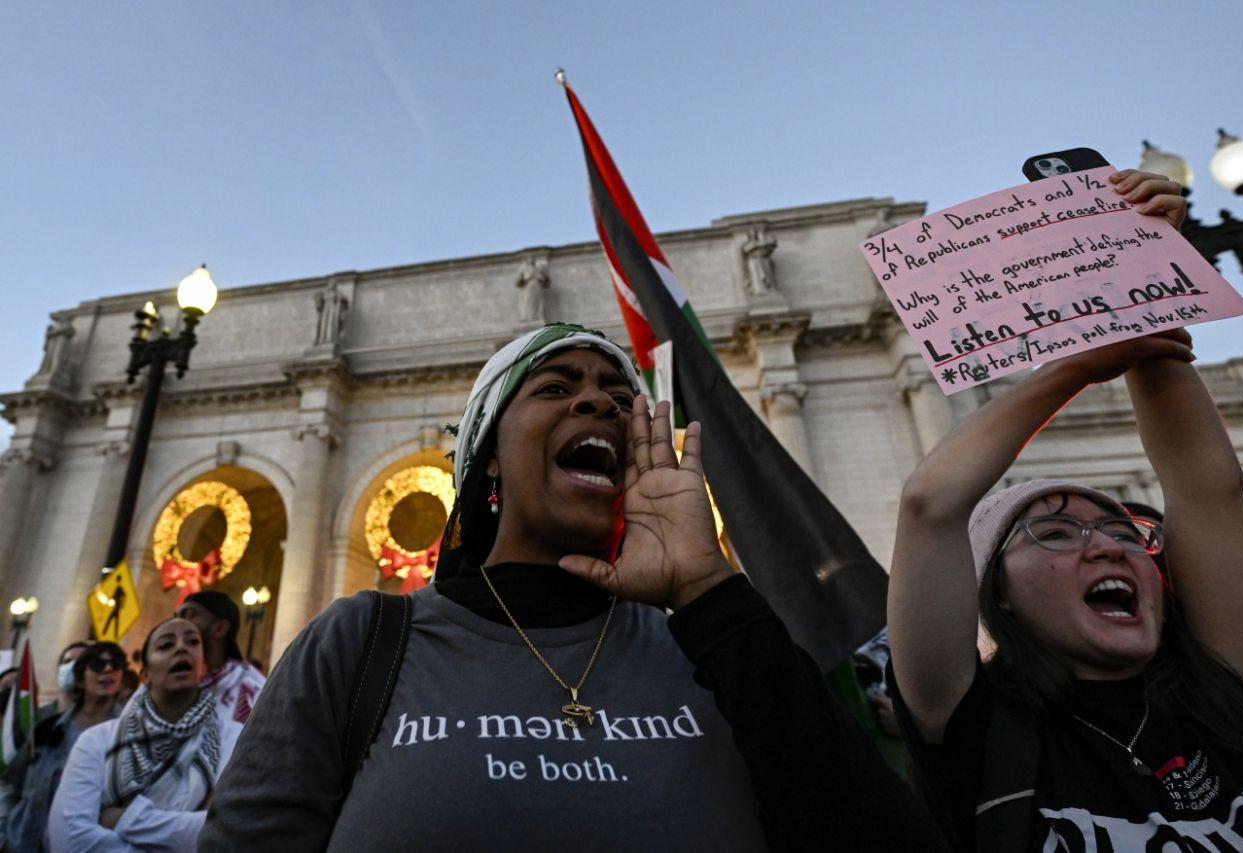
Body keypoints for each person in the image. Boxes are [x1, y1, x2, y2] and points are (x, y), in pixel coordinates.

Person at [200, 322, 943, 851]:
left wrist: (708, 586)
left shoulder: (717, 645)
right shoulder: (358, 641)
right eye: (555, 386)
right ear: (487, 457)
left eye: (622, 397)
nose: (599, 404)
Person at [888, 170, 1243, 852]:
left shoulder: (1234, 687)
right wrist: (1072, 368)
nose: (1106, 546)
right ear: (995, 593)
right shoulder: (971, 725)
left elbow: (1205, 488)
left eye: (1125, 530)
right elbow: (930, 504)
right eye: (1056, 531)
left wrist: (1141, 259)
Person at [48, 619, 240, 852]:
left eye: (192, 642)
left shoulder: (235, 740)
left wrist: (124, 819)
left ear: (203, 667)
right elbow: (70, 841)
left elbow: (229, 831)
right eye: (165, 645)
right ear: (146, 673)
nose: (181, 648)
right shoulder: (96, 741)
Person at [0, 642, 125, 851]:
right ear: (79, 678)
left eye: (116, 663)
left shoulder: (129, 736)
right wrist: (4, 832)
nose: (108, 669)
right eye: (97, 663)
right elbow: (9, 782)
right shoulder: (46, 729)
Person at [176, 591, 265, 724]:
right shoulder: (165, 680)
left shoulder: (253, 692)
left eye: (189, 615)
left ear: (220, 629)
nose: (176, 624)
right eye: (177, 617)